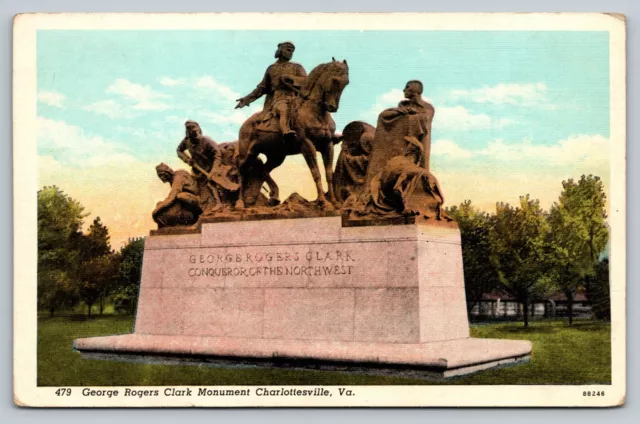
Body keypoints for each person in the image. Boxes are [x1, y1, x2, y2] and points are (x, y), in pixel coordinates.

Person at [235, 41, 307, 140]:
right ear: (281, 51)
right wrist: (247, 99)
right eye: (288, 50)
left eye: (292, 51)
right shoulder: (271, 69)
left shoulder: (297, 67)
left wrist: (290, 78)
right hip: (279, 98)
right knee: (283, 109)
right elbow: (262, 88)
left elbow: (307, 82)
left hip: (297, 97)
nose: (290, 53)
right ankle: (286, 131)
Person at [176, 120, 235, 212]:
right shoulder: (186, 142)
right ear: (188, 134)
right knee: (208, 187)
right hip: (200, 169)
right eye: (193, 133)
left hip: (214, 166)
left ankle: (227, 203)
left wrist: (214, 170)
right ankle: (217, 203)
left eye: (197, 132)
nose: (196, 135)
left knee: (218, 182)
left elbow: (217, 155)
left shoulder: (206, 141)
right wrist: (187, 160)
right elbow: (179, 150)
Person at [152, 163, 202, 228]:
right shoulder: (173, 179)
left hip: (196, 200)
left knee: (180, 196)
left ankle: (194, 215)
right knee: (161, 204)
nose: (161, 178)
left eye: (162, 175)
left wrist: (156, 211)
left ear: (167, 172)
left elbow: (172, 197)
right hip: (186, 202)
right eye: (159, 176)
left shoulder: (178, 177)